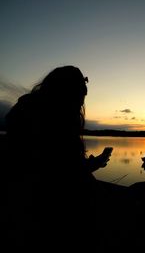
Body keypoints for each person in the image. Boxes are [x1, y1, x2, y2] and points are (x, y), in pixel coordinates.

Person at [4, 65, 113, 252]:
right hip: (43, 215)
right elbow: (60, 177)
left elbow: (64, 168)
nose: (80, 104)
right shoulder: (50, 122)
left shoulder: (27, 111)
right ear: (65, 93)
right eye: (79, 97)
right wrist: (92, 167)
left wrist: (93, 164)